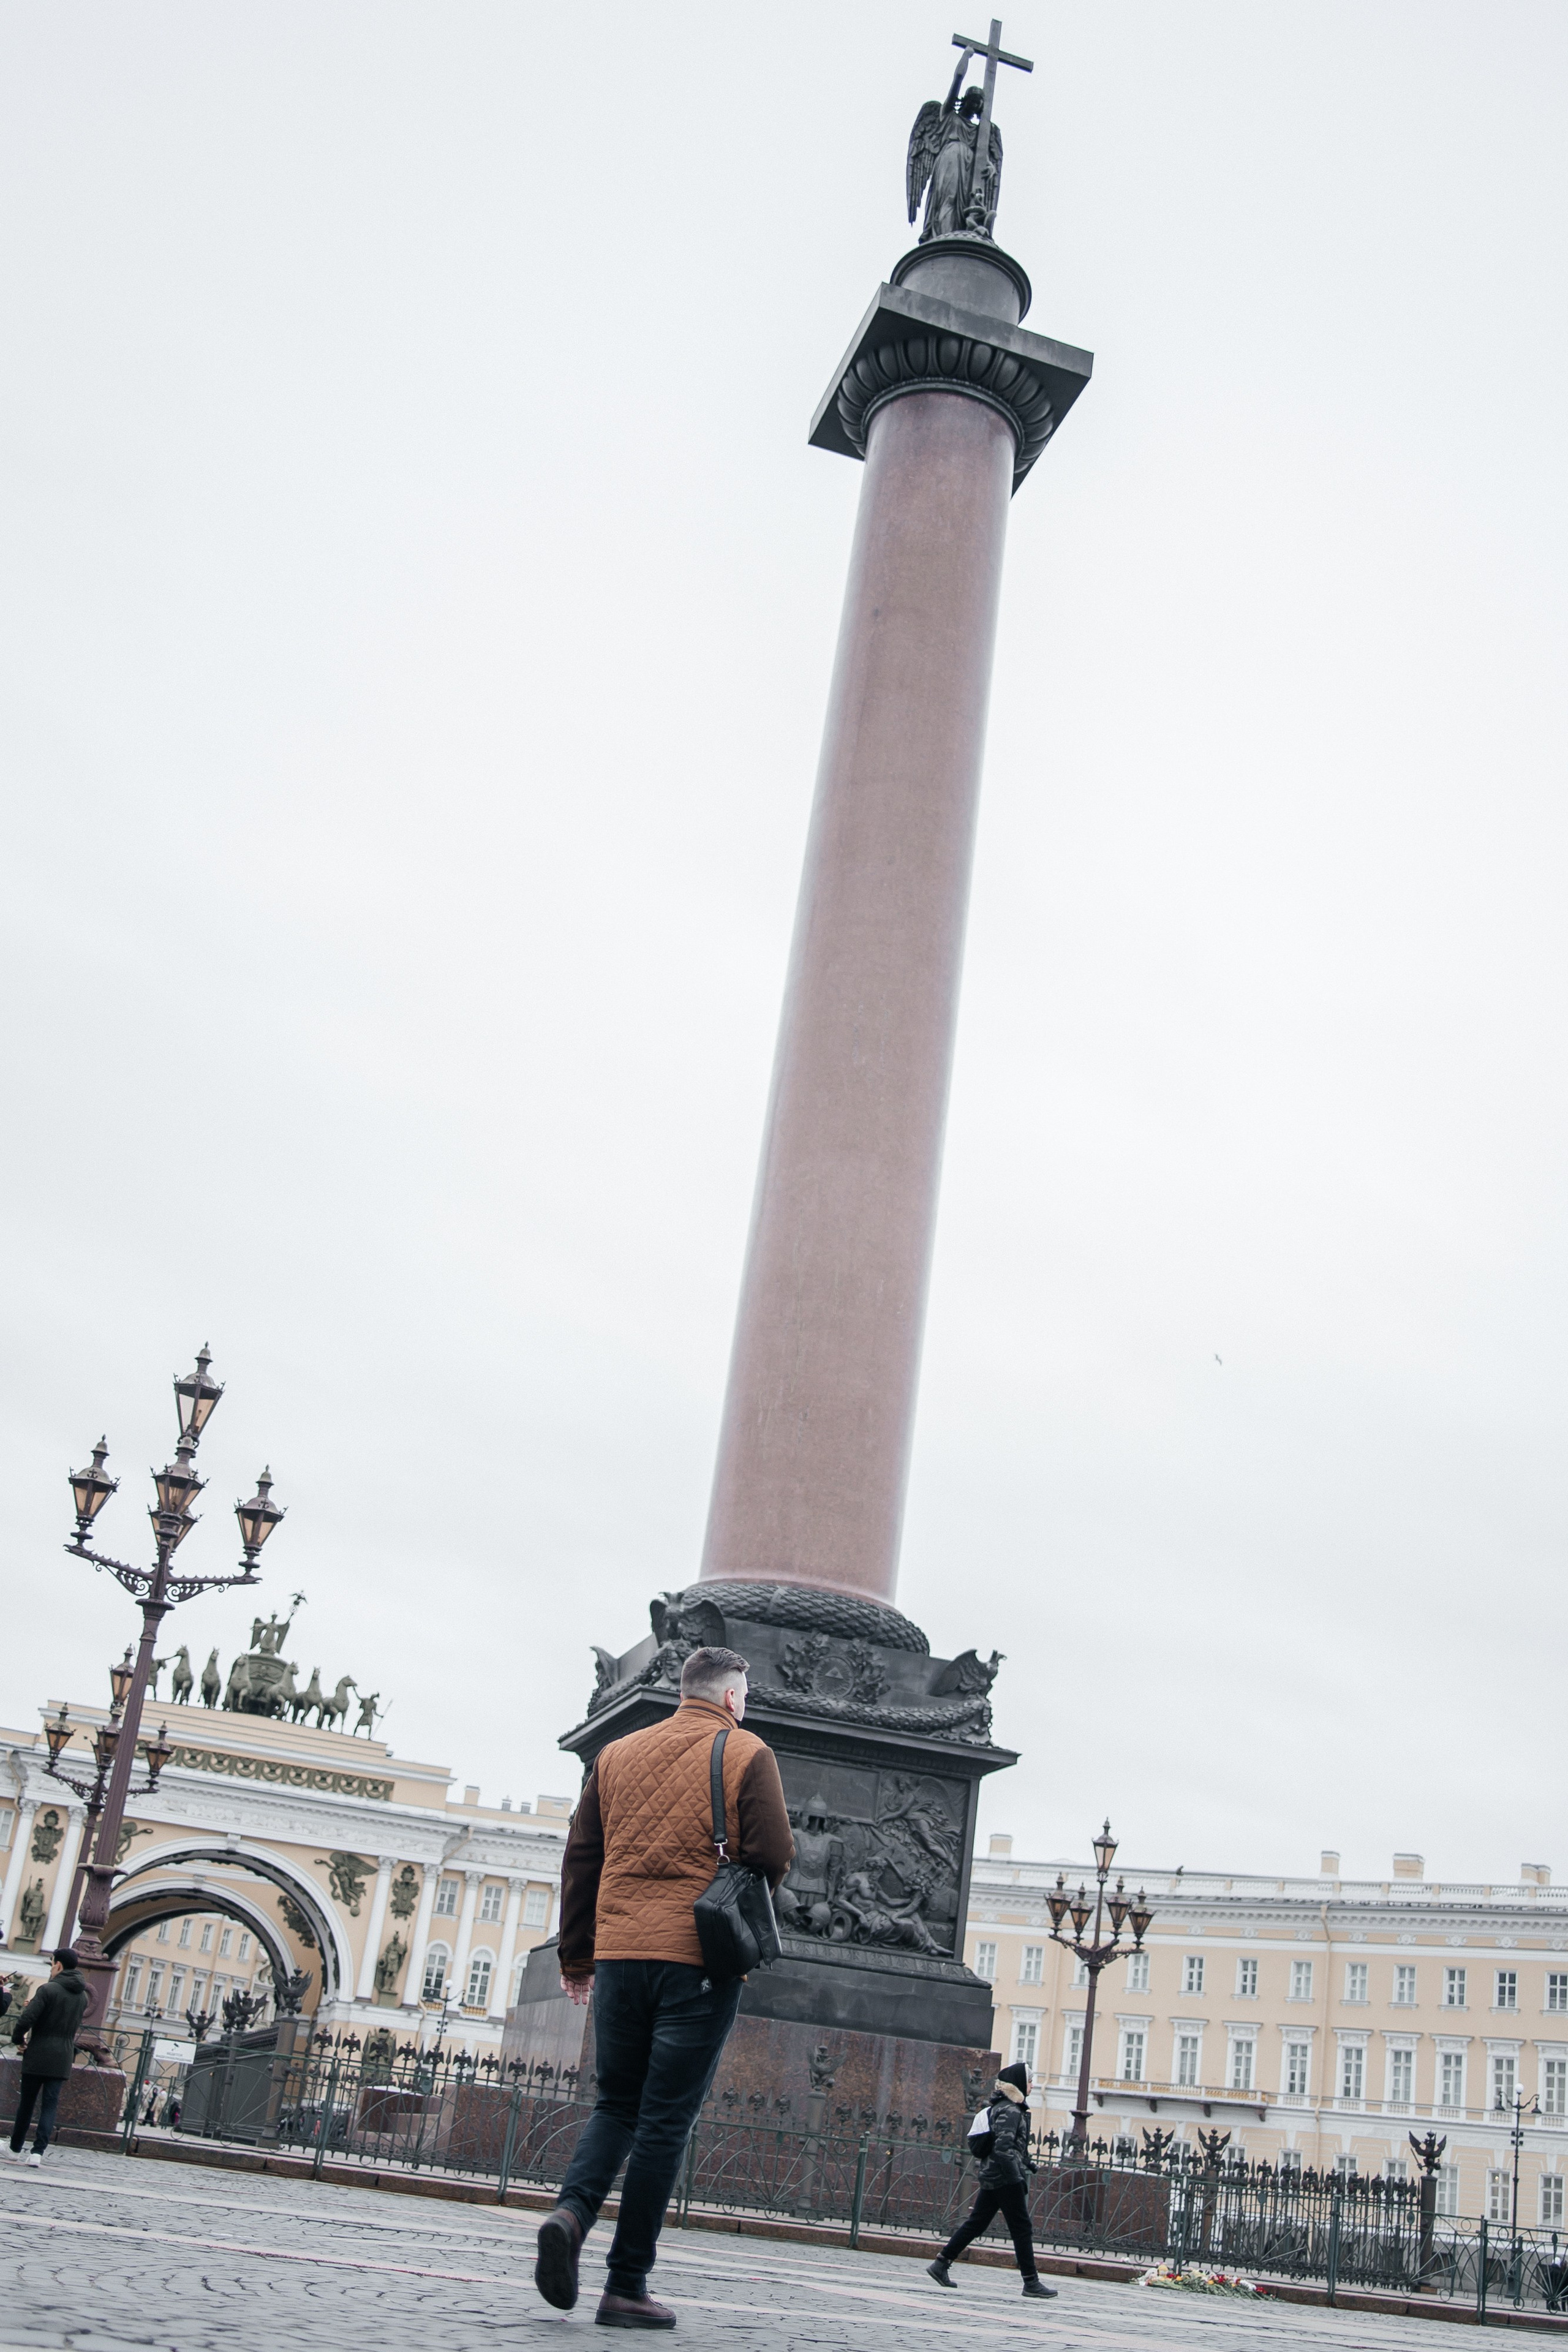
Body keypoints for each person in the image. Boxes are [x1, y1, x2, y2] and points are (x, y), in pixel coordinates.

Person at [536, 1646, 793, 2329]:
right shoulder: (745, 1752)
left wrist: (576, 1959)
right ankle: (625, 2284)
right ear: (733, 1698)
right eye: (745, 1697)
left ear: (683, 1691)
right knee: (663, 2121)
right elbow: (773, 1853)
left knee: (615, 2104)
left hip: (619, 1957)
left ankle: (570, 2212)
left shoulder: (615, 1755)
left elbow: (581, 1858)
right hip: (698, 1962)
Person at [927, 2062, 1057, 2298]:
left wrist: (1027, 2164)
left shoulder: (1004, 2107)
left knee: (976, 2223)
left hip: (994, 2174)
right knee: (1022, 2228)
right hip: (1004, 2177)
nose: (1033, 2085)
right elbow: (1004, 2148)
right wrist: (1016, 2177)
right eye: (1029, 2080)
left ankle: (941, 2263)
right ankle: (1031, 2282)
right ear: (1018, 2082)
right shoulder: (1011, 2110)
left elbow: (1010, 2146)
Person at [7, 1947, 89, 2166]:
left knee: (27, 2103)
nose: (52, 1968)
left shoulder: (47, 1990)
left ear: (59, 1965)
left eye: (53, 1963)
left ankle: (15, 2148)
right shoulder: (82, 1997)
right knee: (50, 2105)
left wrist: (18, 2040)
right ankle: (37, 2153)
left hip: (39, 2052)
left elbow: (26, 2021)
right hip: (63, 2055)